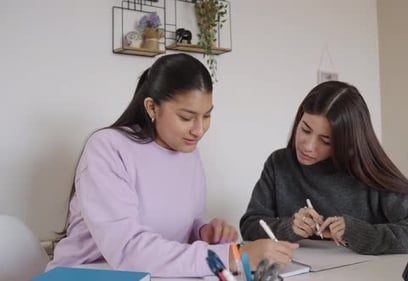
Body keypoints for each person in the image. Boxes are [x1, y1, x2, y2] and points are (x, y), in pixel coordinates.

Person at [47, 54, 298, 277]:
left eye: (207, 115)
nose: (199, 130)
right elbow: (128, 250)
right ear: (152, 107)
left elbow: (176, 227)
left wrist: (202, 231)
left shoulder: (187, 151)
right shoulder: (108, 148)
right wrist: (234, 255)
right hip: (85, 274)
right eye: (186, 117)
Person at [240, 81, 408, 255]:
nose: (308, 146)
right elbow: (250, 225)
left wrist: (359, 233)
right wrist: (289, 227)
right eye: (305, 129)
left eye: (325, 140)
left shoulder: (366, 170)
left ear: (346, 144)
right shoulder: (279, 163)